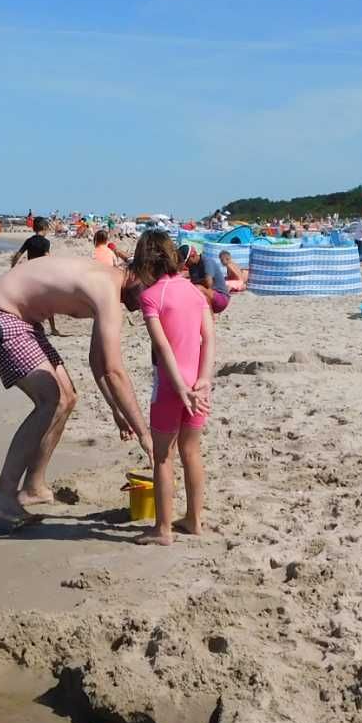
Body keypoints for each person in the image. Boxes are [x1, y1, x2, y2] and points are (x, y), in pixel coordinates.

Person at [0, 255, 152, 529]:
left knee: (66, 397)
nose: (149, 301)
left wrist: (116, 409)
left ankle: (33, 487)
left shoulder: (110, 287)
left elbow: (97, 361)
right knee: (50, 399)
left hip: (23, 321)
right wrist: (145, 435)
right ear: (140, 273)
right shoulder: (106, 287)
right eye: (151, 289)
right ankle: (3, 496)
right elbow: (114, 371)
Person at [130, 231, 213, 545]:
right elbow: (209, 339)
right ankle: (194, 520)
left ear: (146, 263)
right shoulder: (195, 292)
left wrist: (179, 389)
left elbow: (163, 348)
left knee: (163, 456)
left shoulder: (151, 297)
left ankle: (163, 529)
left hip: (170, 387)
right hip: (199, 385)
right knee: (191, 451)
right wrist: (202, 381)